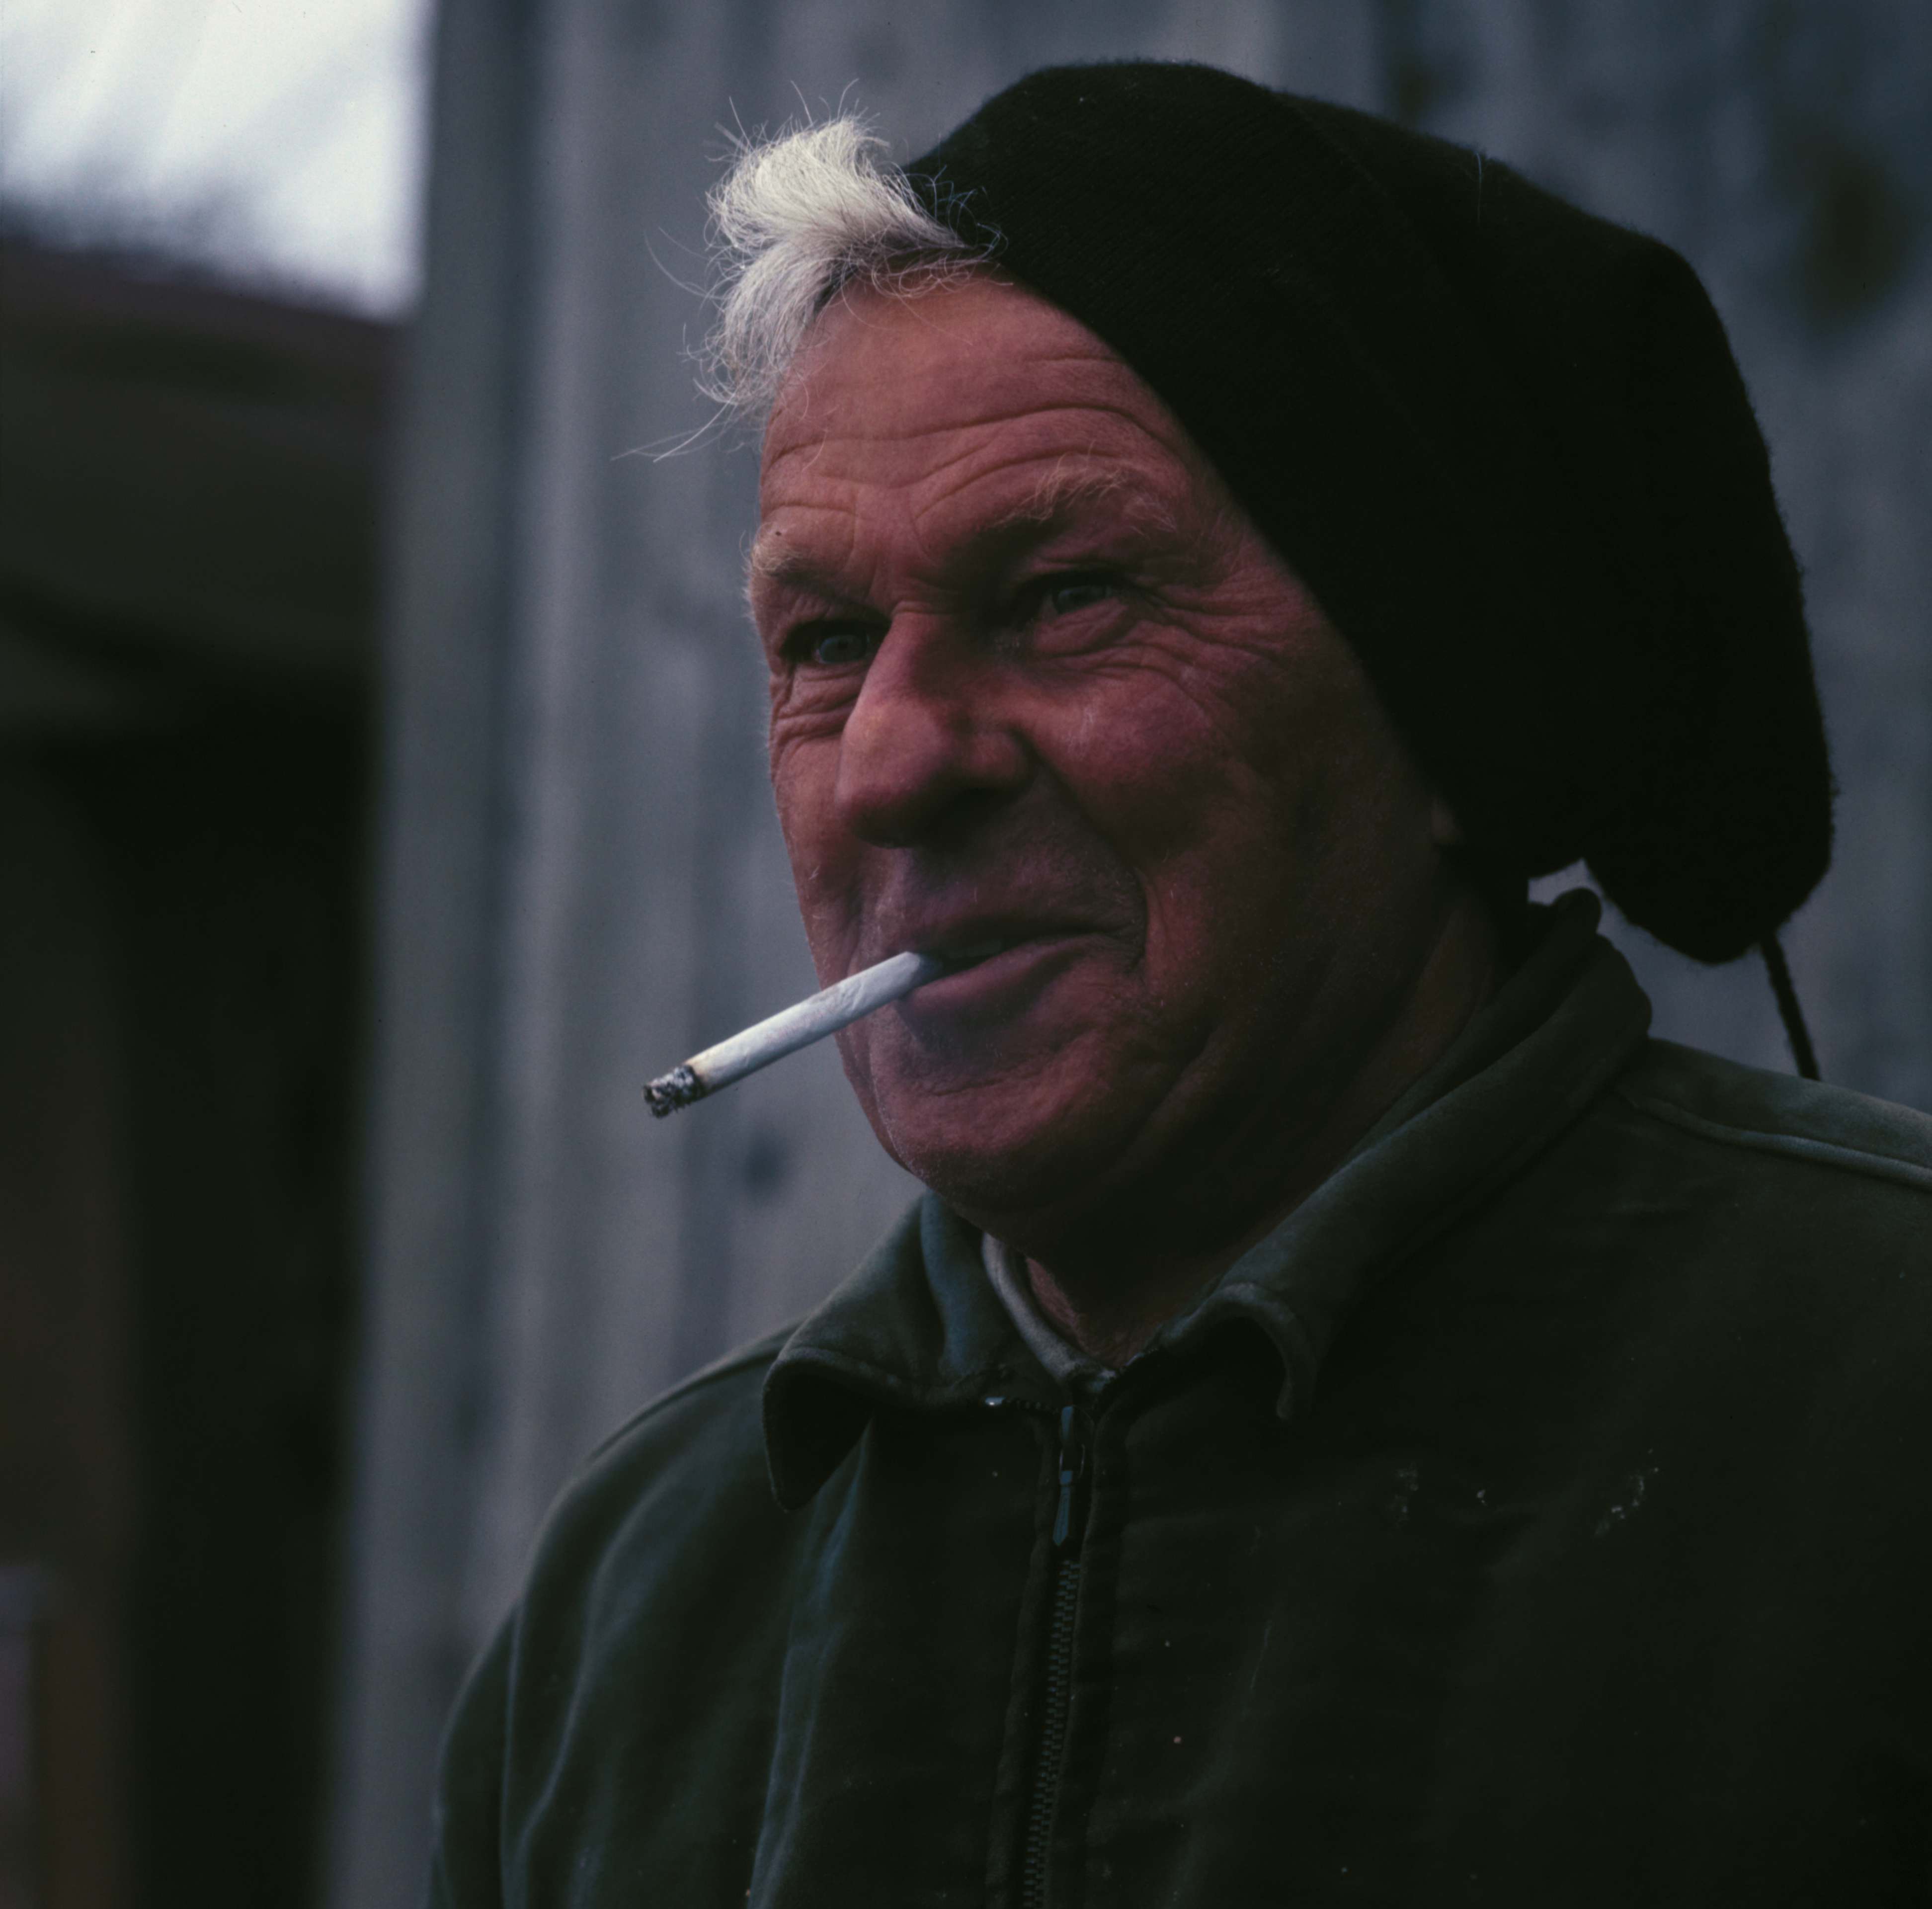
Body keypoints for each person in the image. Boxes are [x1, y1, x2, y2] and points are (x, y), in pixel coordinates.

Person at [428, 64, 1931, 1905]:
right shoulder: (646, 1591)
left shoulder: (1874, 1406)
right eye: (825, 640)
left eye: (1065, 595)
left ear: (1448, 710)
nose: (889, 761)